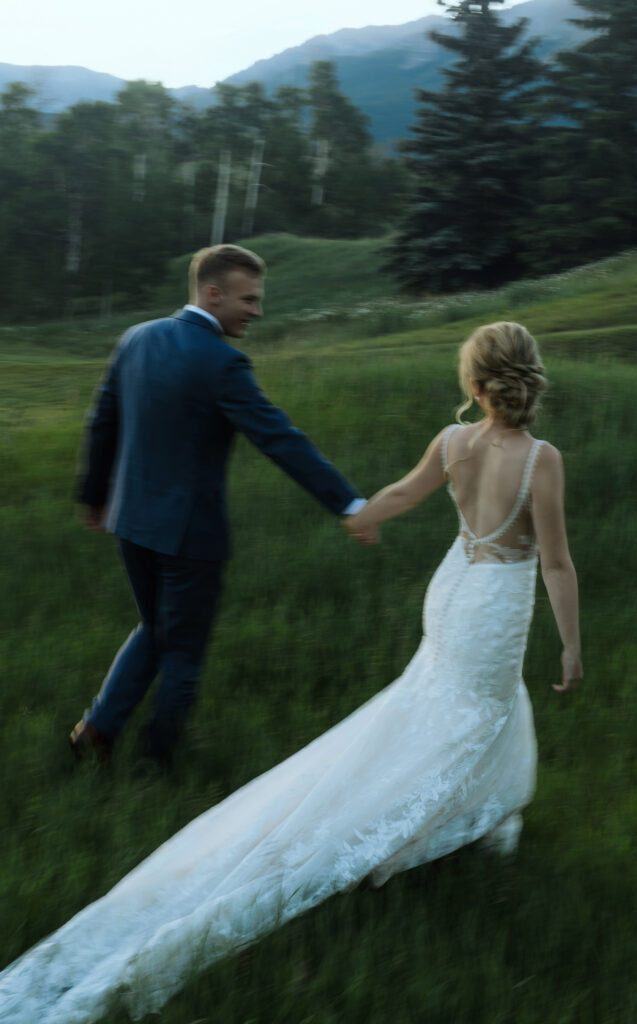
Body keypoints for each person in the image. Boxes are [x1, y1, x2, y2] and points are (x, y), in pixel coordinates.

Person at [0, 322, 581, 1023]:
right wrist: (570, 646)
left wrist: (358, 515)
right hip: (494, 602)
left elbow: (399, 494)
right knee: (474, 711)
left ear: (474, 381)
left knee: (444, 702)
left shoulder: (453, 442)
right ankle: (415, 830)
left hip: (452, 592)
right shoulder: (540, 459)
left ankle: (464, 821)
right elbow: (553, 561)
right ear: (528, 375)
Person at [70, 244, 364, 766]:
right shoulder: (221, 362)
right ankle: (156, 762)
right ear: (213, 293)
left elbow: (101, 422)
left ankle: (97, 729)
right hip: (189, 534)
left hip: (129, 520)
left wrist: (94, 497)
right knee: (182, 650)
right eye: (248, 300)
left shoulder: (136, 338)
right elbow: (280, 439)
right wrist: (347, 502)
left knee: (154, 628)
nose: (257, 310)